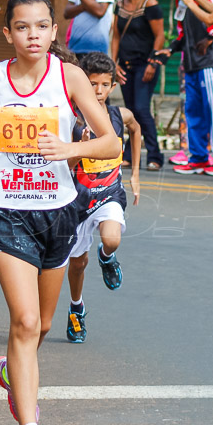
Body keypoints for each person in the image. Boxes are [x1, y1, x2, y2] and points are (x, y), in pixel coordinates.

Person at [0, 0, 120, 425]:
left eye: (42, 26)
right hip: (6, 208)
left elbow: (108, 142)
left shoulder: (69, 77)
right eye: (22, 27)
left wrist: (67, 151)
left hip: (59, 209)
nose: (33, 35)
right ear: (8, 33)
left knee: (43, 325)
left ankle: (11, 370)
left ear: (53, 30)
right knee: (25, 322)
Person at [63, 52, 141, 344]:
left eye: (104, 84)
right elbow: (66, 166)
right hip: (76, 202)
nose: (97, 91)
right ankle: (76, 307)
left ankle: (107, 258)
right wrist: (78, 148)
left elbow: (136, 128)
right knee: (78, 264)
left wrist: (134, 173)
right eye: (92, 83)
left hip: (109, 194)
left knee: (111, 239)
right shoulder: (72, 122)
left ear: (112, 86)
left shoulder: (120, 116)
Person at [161, 0, 213, 176]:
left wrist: (212, 37)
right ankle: (199, 157)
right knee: (193, 111)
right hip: (191, 63)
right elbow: (182, 31)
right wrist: (171, 48)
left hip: (209, 61)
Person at [110, 0, 165, 170]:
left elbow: (160, 36)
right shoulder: (120, 4)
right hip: (125, 66)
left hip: (145, 65)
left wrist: (153, 62)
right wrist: (113, 64)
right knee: (130, 110)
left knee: (141, 109)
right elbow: (115, 35)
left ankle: (155, 156)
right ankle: (130, 156)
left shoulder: (150, 4)